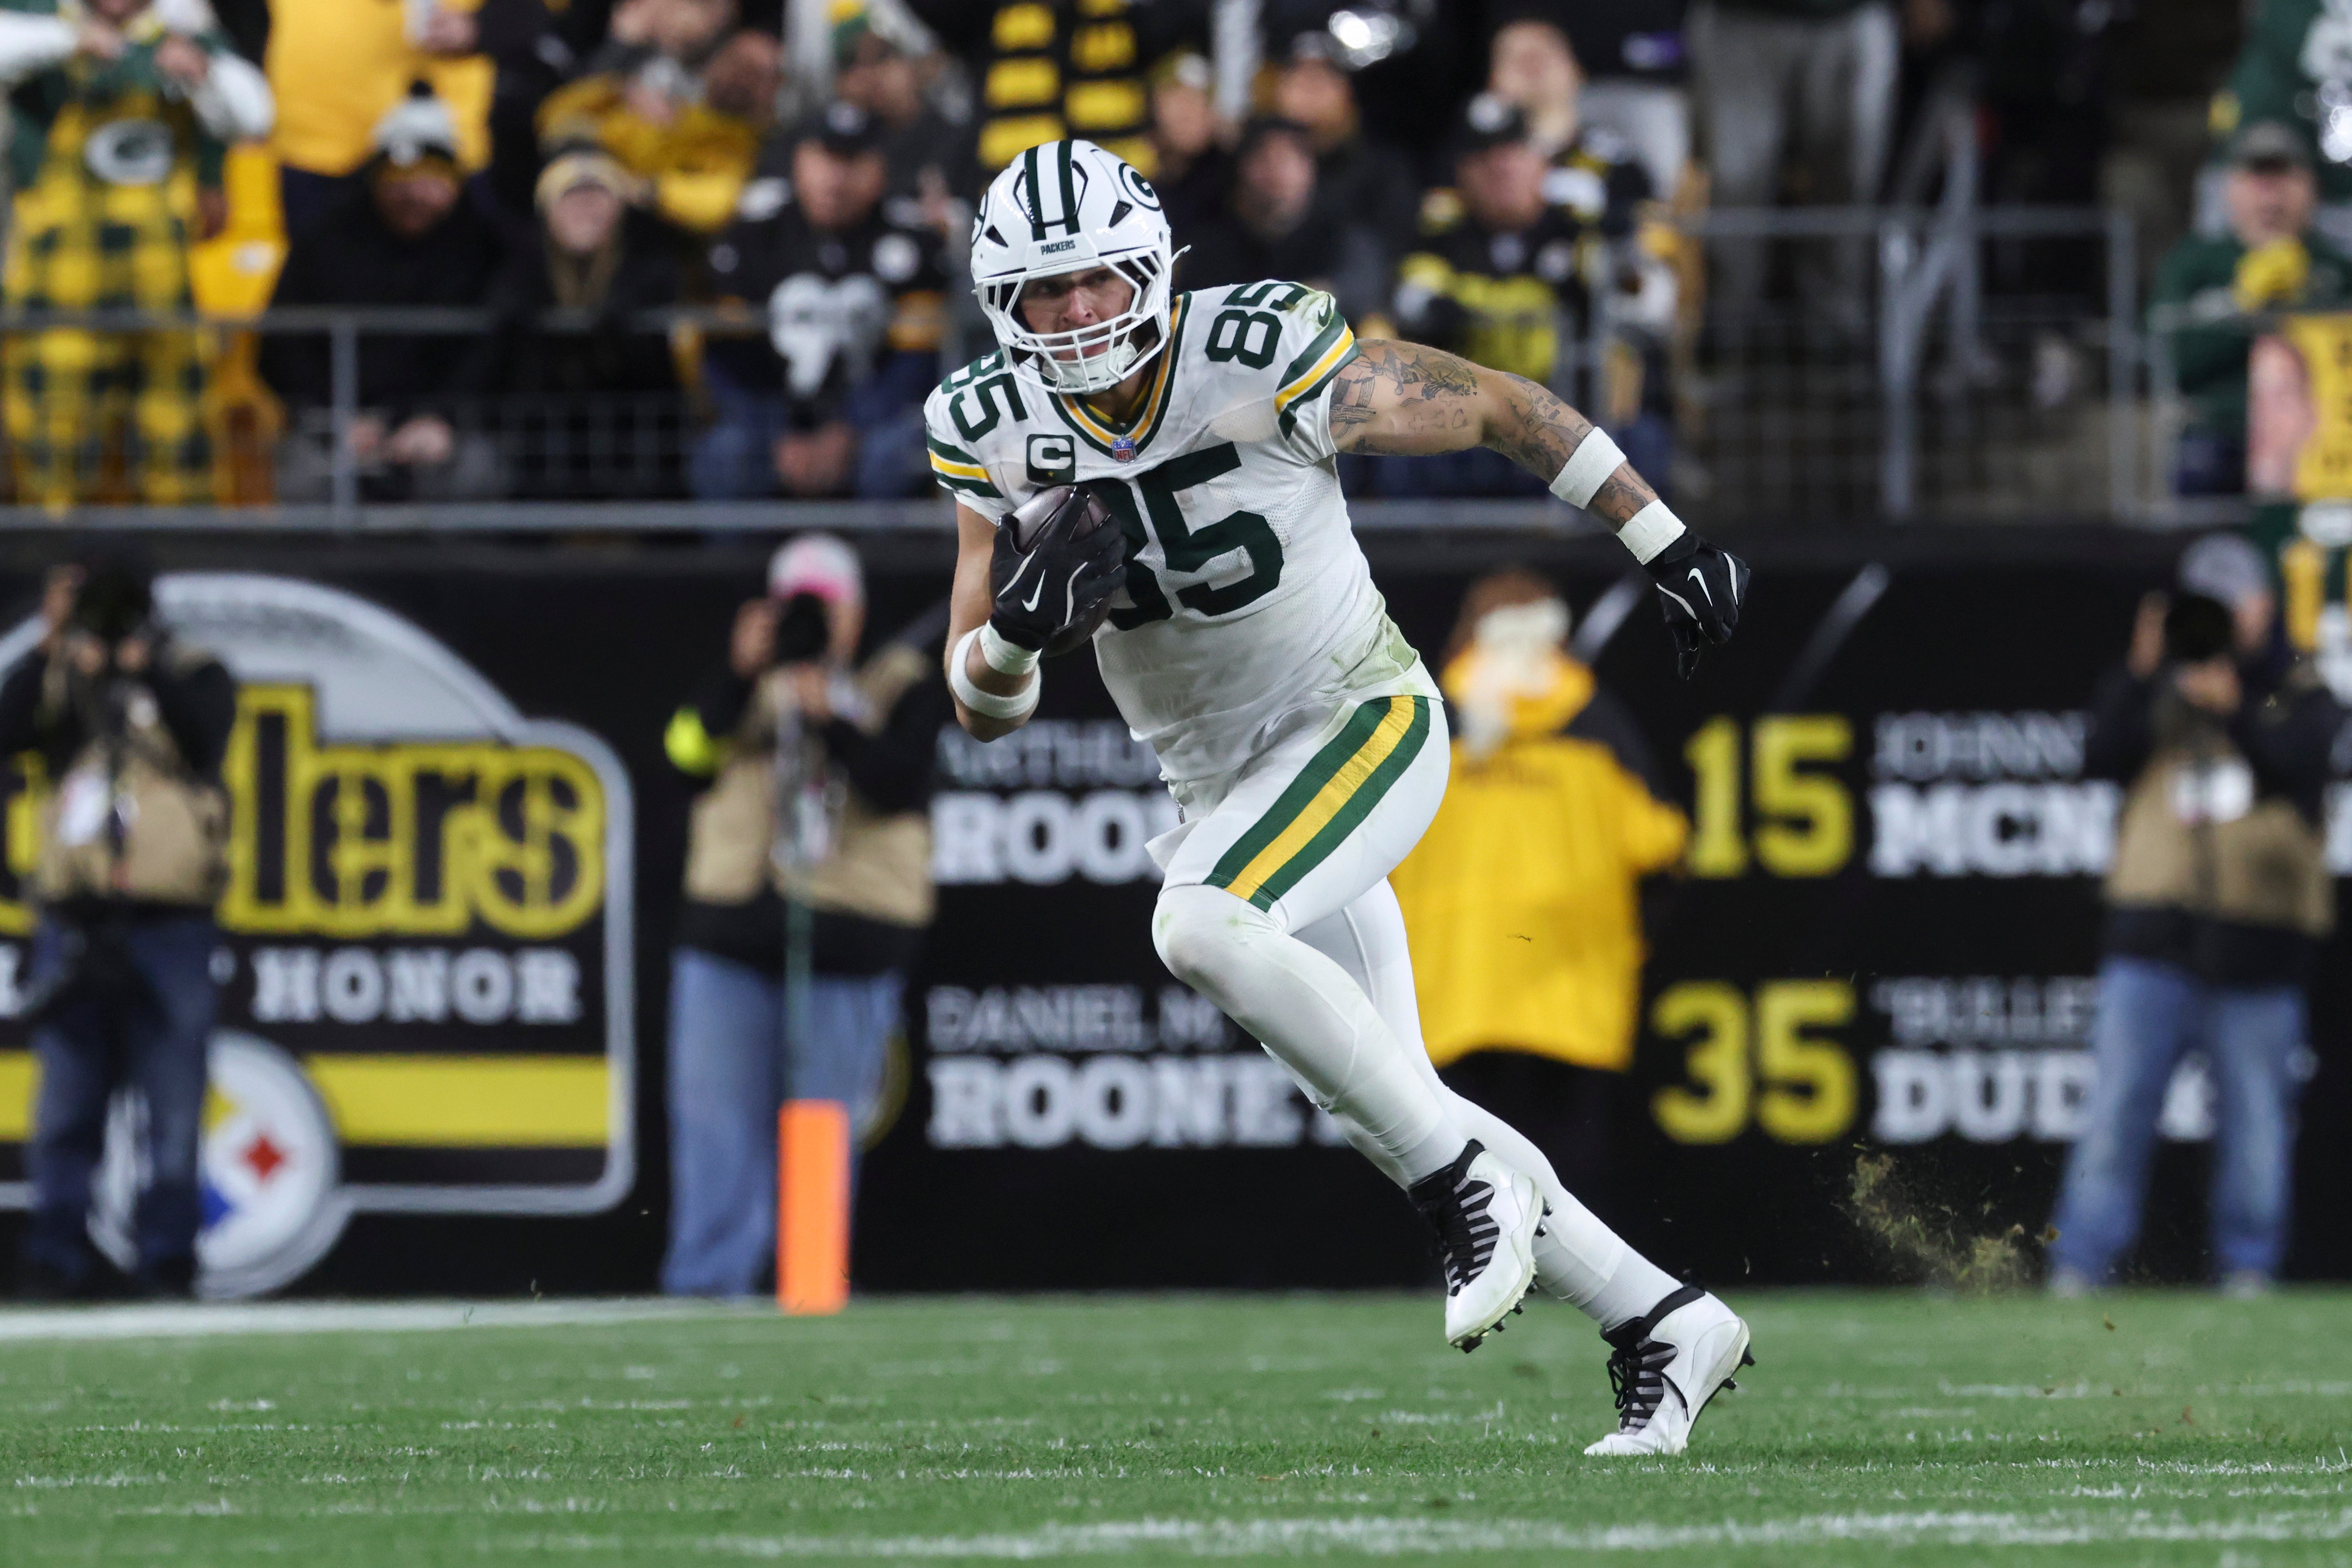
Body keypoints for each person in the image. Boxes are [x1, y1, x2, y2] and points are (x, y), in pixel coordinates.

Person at [929, 137, 1752, 1456]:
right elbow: (979, 706)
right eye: (1044, 290)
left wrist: (1662, 538)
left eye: (1094, 279)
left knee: (1196, 928)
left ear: (1147, 267)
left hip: (1354, 717)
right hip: (1220, 785)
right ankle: (1658, 1319)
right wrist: (1016, 638)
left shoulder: (1258, 350)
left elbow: (1491, 402)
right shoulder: (985, 429)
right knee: (1387, 1094)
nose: (1075, 311)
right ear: (999, 303)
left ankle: (1459, 1184)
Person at [2047, 534, 2342, 1296]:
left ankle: (2248, 1267)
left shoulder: (2300, 688)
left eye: (2228, 603)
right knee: (2116, 1112)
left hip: (2260, 945)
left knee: (2258, 1126)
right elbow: (2099, 752)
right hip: (2153, 938)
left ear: (2262, 608)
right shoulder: (2157, 688)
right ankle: (2080, 1263)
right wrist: (2148, 667)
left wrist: (2234, 706)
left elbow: (2298, 762)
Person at [659, 534, 950, 1298]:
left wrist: (836, 718)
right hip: (730, 931)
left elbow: (899, 783)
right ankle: (708, 1287)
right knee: (715, 1127)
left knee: (823, 1124)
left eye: (825, 609)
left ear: (855, 615)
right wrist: (741, 669)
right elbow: (683, 758)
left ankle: (810, 1285)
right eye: (796, 608)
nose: (813, 623)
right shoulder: (744, 685)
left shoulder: (900, 681)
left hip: (849, 936)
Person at [1388, 569, 1689, 1210]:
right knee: (1569, 1148)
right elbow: (1660, 844)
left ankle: (1462, 1280)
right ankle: (1584, 1286)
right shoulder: (1600, 727)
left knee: (1454, 1150)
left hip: (1452, 976)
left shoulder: (1426, 723)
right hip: (1570, 973)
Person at [0, 548, 236, 1299]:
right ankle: (56, 1254)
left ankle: (169, 1258)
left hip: (170, 923)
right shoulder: (64, 678)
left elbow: (208, 738)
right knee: (68, 1100)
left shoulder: (194, 671)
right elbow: (6, 733)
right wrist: (52, 644)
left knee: (171, 1103)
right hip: (75, 917)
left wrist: (148, 662)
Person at [0, 0, 272, 507]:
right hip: (59, 298)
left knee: (179, 449)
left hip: (159, 297)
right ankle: (51, 576)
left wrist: (203, 70)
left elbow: (255, 113)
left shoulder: (180, 35)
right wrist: (73, 40)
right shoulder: (43, 21)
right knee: (51, 452)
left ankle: (183, 573)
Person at [1392, 97, 1677, 496]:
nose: (1502, 169)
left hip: (1572, 422)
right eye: (1484, 159)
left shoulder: (1578, 230)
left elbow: (1648, 303)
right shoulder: (1441, 235)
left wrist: (1619, 253)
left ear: (1543, 164)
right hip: (1473, 428)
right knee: (1392, 451)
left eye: (1515, 153)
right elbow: (1414, 301)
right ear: (1461, 174)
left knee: (1642, 441)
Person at [260, 87, 510, 503]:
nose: (413, 195)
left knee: (475, 475)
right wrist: (338, 419)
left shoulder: (486, 248)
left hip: (445, 427)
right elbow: (281, 349)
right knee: (304, 480)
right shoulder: (327, 240)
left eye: (430, 180)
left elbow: (496, 354)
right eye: (397, 181)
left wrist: (442, 419)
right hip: (338, 426)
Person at [693, 101, 948, 500]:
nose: (837, 177)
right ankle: (729, 566)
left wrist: (852, 430)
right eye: (825, 159)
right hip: (771, 425)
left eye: (854, 161)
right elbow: (728, 358)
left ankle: (894, 564)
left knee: (898, 452)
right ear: (798, 160)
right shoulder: (751, 238)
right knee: (727, 454)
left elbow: (916, 364)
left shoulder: (914, 242)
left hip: (875, 428)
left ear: (880, 167)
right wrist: (778, 435)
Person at [453, 147, 691, 499]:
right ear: (547, 210)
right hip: (537, 449)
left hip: (631, 446)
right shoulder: (516, 276)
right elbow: (489, 364)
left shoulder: (652, 273)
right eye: (571, 196)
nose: (585, 208)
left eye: (597, 196)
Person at [2153, 123, 2352, 498]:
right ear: (2230, 188)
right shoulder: (2194, 265)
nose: (2271, 196)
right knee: (2203, 463)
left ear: (2312, 188)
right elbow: (2169, 358)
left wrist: (2302, 306)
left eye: (2285, 178)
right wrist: (2241, 305)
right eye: (2258, 178)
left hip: (2324, 445)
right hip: (2222, 434)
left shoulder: (2336, 270)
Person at [1687, 0, 1897, 325]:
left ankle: (1834, 340)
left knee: (1848, 187)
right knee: (1733, 188)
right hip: (1740, 20)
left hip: (1851, 17)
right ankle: (1731, 334)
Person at [265, 0, 507, 238]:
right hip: (316, 139)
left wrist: (479, 27)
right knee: (321, 268)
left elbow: (532, 18)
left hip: (443, 148)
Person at [535, 0, 778, 236]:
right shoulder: (647, 94)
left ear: (771, 93)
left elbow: (721, 201)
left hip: (653, 233)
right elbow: (553, 117)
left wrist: (648, 191)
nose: (742, 80)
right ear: (714, 65)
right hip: (583, 188)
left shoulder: (740, 143)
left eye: (757, 76)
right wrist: (619, 87)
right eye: (738, 65)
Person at [1180, 116, 1339, 299]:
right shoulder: (1210, 243)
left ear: (1311, 169)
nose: (1277, 172)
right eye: (1265, 159)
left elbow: (1359, 285)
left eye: (1288, 159)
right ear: (1242, 167)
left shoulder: (1338, 236)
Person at [1145, 49, 1230, 246]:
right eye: (1176, 100)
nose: (1187, 113)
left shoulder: (1236, 182)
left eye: (1196, 100)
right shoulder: (1137, 175)